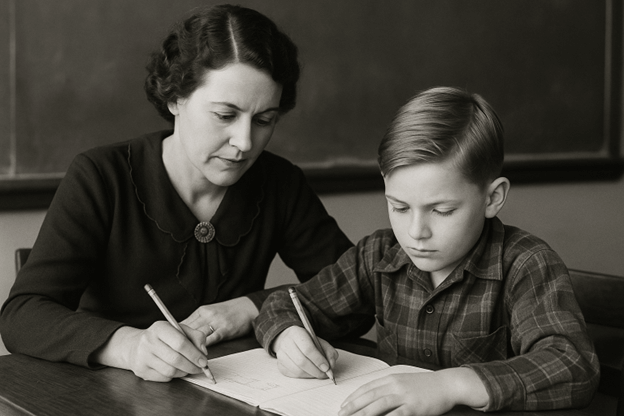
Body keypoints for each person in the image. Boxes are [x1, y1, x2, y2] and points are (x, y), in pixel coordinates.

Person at [0, 4, 362, 382]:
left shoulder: (280, 182)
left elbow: (358, 292)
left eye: (264, 120)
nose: (244, 142)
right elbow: (23, 315)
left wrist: (251, 308)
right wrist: (130, 346)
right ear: (175, 98)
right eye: (225, 115)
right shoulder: (101, 176)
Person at [254, 86, 600, 414]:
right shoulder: (378, 254)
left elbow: (573, 364)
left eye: (442, 211)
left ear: (492, 198)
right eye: (399, 207)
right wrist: (287, 337)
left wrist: (450, 386)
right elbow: (287, 304)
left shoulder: (525, 264)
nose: (416, 232)